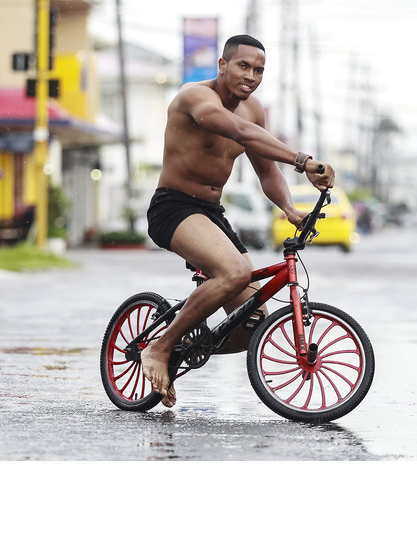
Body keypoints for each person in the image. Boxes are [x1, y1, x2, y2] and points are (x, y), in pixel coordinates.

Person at [142, 34, 335, 407]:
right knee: (234, 273)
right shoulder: (194, 96)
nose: (251, 75)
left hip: (212, 214)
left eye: (259, 70)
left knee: (253, 326)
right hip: (174, 208)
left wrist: (289, 208)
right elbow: (239, 132)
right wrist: (304, 161)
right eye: (244, 66)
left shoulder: (253, 109)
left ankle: (184, 346)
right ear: (222, 65)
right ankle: (159, 348)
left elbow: (265, 170)